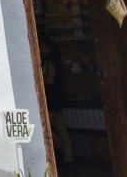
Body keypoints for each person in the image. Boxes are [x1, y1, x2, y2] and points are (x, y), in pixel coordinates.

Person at [40, 35, 74, 164]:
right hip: (57, 98)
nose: (40, 49)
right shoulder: (57, 59)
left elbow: (50, 79)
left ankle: (62, 149)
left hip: (52, 100)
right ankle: (68, 155)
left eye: (41, 46)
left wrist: (39, 76)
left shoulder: (50, 60)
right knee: (60, 128)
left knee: (47, 128)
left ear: (45, 47)